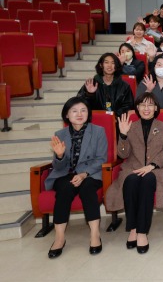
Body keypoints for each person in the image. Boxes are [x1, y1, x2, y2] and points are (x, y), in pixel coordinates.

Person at [105, 93, 163, 254]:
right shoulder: (131, 126)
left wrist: (151, 166)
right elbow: (123, 154)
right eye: (143, 105)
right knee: (131, 181)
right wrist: (122, 135)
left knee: (147, 181)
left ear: (156, 108)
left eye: (150, 105)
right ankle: (133, 228)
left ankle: (141, 232)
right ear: (137, 108)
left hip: (155, 170)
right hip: (133, 168)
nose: (146, 108)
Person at [45, 97, 107, 259]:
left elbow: (101, 158)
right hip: (66, 173)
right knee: (64, 189)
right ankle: (59, 238)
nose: (79, 114)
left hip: (91, 173)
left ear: (89, 113)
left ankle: (95, 235)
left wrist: (83, 174)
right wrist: (59, 156)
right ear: (66, 115)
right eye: (74, 111)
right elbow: (58, 167)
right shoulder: (60, 134)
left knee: (87, 189)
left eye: (83, 110)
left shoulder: (98, 131)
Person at [77, 53, 133, 118]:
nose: (109, 65)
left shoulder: (124, 86)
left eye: (113, 63)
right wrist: (89, 94)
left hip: (117, 123)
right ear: (101, 65)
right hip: (95, 122)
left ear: (116, 66)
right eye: (106, 62)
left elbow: (128, 106)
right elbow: (80, 105)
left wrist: (114, 117)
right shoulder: (91, 84)